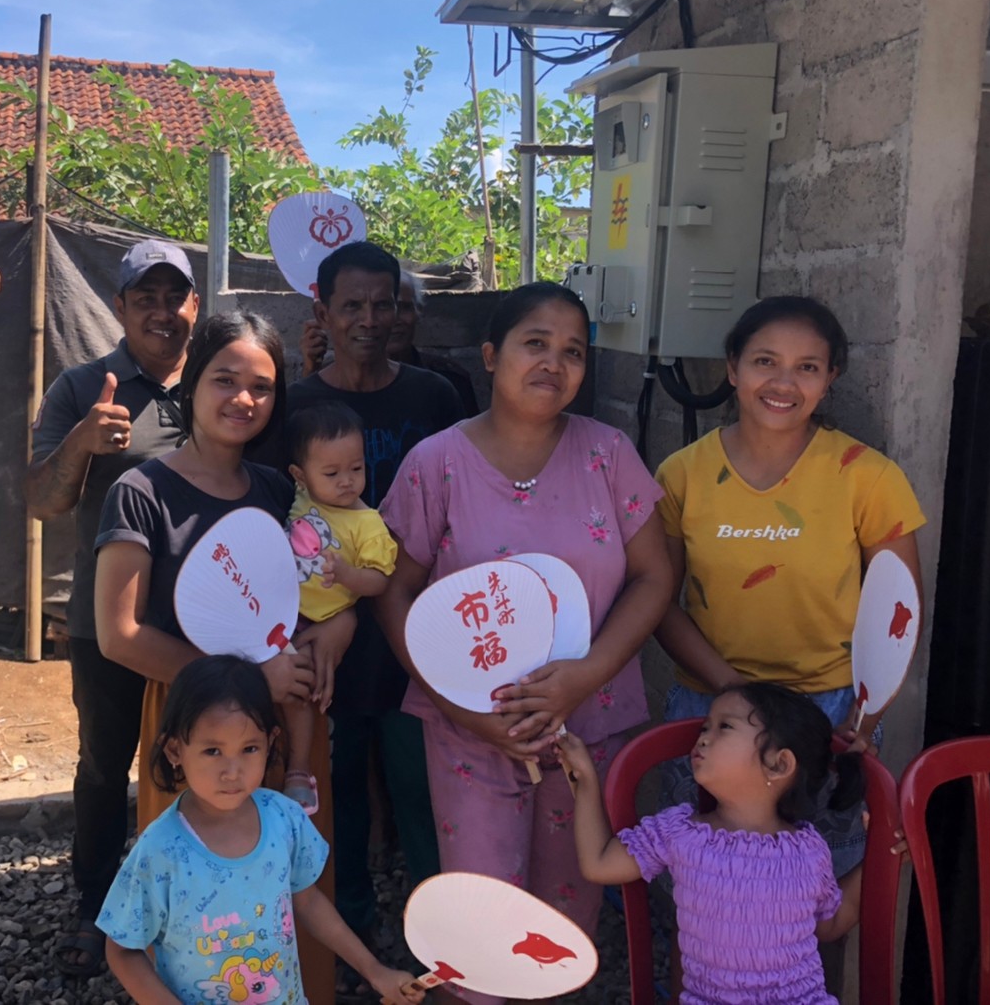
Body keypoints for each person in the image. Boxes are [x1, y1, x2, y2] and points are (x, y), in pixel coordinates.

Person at [377, 282, 672, 1005]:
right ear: (490, 356)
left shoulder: (608, 454)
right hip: (472, 732)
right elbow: (394, 592)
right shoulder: (437, 463)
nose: (553, 363)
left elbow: (656, 576)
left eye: (573, 352)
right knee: (481, 920)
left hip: (586, 725)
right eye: (534, 343)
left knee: (563, 919)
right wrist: (467, 711)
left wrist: (586, 675)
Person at [94, 311, 348, 1002]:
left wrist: (339, 630)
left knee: (294, 887)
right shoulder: (142, 492)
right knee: (196, 909)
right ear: (191, 384)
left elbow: (329, 589)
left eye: (262, 387)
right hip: (195, 728)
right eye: (225, 380)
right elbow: (119, 633)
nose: (244, 399)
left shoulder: (281, 492)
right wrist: (251, 679)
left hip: (286, 727)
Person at [653, 296, 925, 878]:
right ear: (732, 368)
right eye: (765, 361)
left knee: (818, 884)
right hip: (710, 708)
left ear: (830, 379)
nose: (784, 383)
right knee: (700, 883)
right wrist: (735, 693)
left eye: (807, 367)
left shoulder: (868, 476)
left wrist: (864, 720)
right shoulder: (681, 475)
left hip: (827, 712)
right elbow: (658, 601)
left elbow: (899, 612)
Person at [283, 240, 464, 951]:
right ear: (322, 311)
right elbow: (282, 529)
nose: (369, 319)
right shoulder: (296, 406)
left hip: (417, 635)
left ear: (401, 309)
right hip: (330, 642)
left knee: (423, 789)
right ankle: (351, 938)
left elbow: (459, 511)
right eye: (351, 305)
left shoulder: (435, 397)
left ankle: (440, 945)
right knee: (341, 790)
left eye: (383, 304)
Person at [26, 237, 199, 977]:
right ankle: (96, 903)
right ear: (121, 307)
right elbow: (41, 501)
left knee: (206, 757)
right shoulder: (82, 388)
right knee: (105, 764)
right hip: (110, 623)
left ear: (195, 305)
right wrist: (80, 444)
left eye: (175, 296)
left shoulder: (217, 380)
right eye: (145, 298)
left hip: (204, 623)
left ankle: (196, 899)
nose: (162, 311)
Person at [98, 655, 422, 1005]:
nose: (232, 771)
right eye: (212, 751)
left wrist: (375, 971)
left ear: (271, 742)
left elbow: (309, 901)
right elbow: (122, 949)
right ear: (175, 749)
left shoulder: (284, 818)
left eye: (249, 749)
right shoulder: (161, 849)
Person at [559, 683, 867, 1005]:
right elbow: (599, 863)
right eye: (705, 727)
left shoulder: (808, 850)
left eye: (725, 727)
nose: (703, 738)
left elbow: (830, 923)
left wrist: (880, 859)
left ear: (779, 764)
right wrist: (586, 781)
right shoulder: (680, 832)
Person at [282, 401, 398, 814]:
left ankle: (299, 771)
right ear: (300, 476)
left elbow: (379, 580)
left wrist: (348, 574)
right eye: (331, 474)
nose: (347, 481)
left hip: (317, 623)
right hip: (275, 612)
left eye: (356, 468)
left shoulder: (367, 523)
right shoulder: (300, 497)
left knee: (300, 689)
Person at [301, 271, 479, 415]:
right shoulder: (332, 380)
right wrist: (310, 370)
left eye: (404, 308)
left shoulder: (446, 383)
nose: (394, 319)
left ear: (418, 313)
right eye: (381, 306)